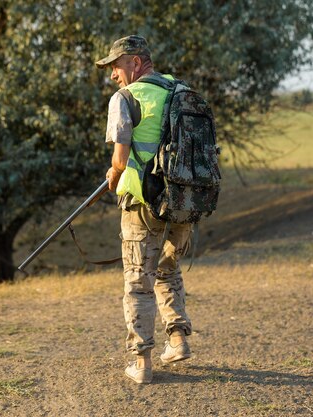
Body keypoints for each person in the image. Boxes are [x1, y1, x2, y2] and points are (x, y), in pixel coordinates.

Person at [96, 35, 193, 384]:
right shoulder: (180, 90)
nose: (112, 75)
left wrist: (114, 172)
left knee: (138, 282)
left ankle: (141, 363)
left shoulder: (124, 98)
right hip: (185, 202)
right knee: (167, 270)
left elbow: (121, 156)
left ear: (135, 63)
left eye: (116, 66)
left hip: (143, 202)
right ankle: (178, 340)